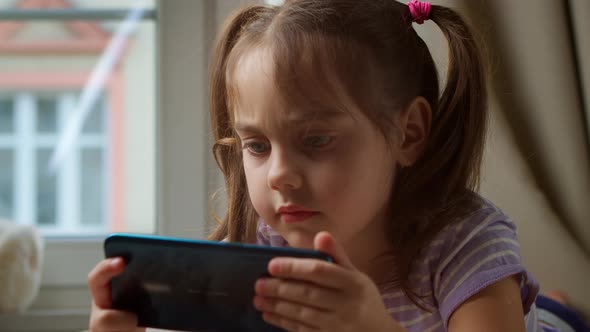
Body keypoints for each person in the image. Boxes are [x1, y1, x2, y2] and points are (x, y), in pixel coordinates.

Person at [87, 0, 590, 331]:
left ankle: (552, 307)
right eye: (257, 146)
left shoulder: (463, 242)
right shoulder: (258, 249)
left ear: (408, 133)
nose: (279, 174)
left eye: (317, 139)